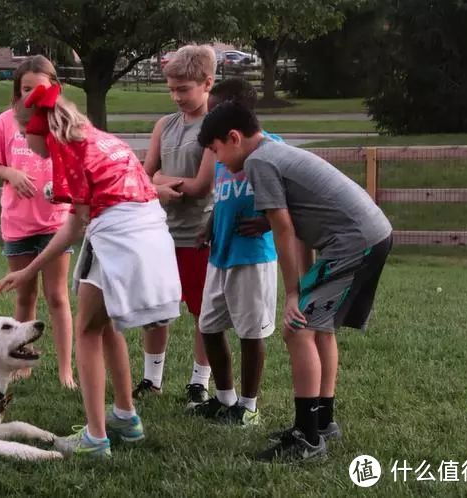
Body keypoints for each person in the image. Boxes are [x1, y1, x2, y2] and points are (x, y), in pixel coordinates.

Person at [0, 83, 181, 458]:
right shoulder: (96, 136)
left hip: (118, 236)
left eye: (26, 137)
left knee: (87, 331)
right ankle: (126, 419)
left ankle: (96, 439)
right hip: (146, 230)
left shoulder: (68, 149)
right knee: (105, 326)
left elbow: (73, 227)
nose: (28, 147)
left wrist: (29, 269)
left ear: (38, 129)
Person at [198, 102, 393, 463]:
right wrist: (302, 286)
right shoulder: (275, 154)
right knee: (318, 327)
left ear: (234, 138)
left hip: (353, 242)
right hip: (368, 235)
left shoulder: (259, 162)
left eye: (216, 151)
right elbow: (301, 230)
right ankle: (322, 422)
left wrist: (292, 295)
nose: (219, 161)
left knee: (297, 328)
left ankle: (307, 438)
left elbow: (283, 228)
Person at [189, 78, 281, 426]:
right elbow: (221, 197)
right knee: (209, 325)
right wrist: (209, 227)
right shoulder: (219, 150)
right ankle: (225, 399)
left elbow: (289, 197)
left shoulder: (269, 147)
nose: (209, 115)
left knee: (250, 332)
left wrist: (267, 223)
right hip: (220, 253)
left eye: (217, 110)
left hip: (252, 256)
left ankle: (248, 406)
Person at [135, 44, 216, 408]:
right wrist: (157, 184)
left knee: (204, 313)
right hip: (160, 235)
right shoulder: (163, 125)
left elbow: (202, 186)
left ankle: (199, 383)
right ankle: (152, 379)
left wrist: (162, 182)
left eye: (184, 89)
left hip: (201, 235)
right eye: (171, 89)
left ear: (207, 83)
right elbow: (142, 175)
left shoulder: (216, 126)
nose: (176, 96)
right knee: (155, 310)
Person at [0, 55, 75, 388]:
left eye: (39, 90)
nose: (31, 97)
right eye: (25, 90)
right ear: (17, 90)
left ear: (55, 89)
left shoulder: (61, 122)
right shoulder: (5, 122)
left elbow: (74, 165)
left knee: (57, 296)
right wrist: (11, 173)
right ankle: (22, 360)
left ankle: (66, 369)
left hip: (55, 223)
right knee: (25, 296)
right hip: (17, 223)